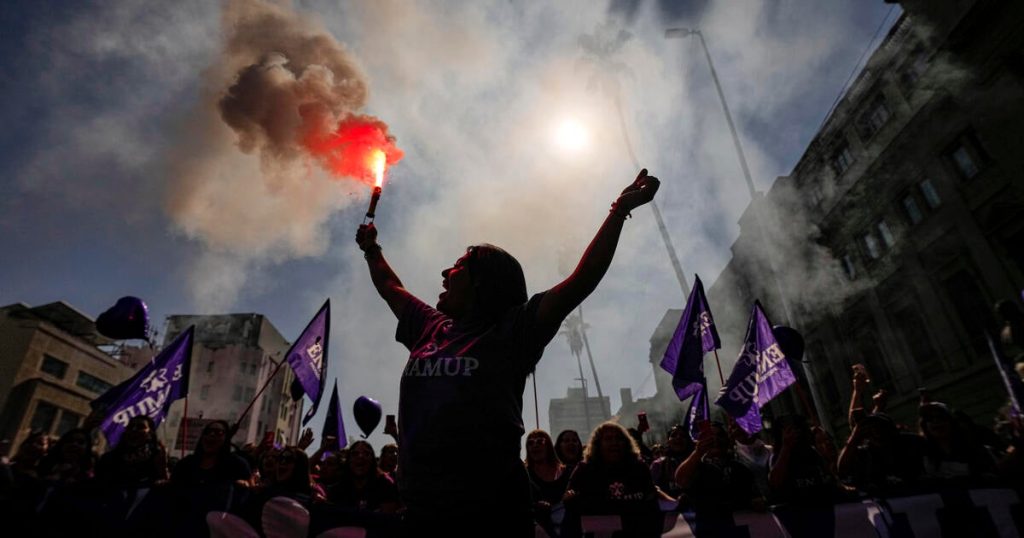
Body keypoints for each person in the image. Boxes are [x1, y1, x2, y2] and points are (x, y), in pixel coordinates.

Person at [355, 169, 660, 536]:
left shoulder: (514, 331)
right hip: (421, 516)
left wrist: (619, 210)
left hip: (493, 517)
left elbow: (581, 280)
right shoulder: (429, 327)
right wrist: (372, 249)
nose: (445, 272)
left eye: (458, 266)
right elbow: (390, 286)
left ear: (482, 282)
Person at [562, 422, 662, 538]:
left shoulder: (639, 468)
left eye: (619, 438)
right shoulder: (584, 470)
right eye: (608, 439)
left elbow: (651, 502)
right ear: (598, 444)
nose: (614, 443)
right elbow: (569, 503)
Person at [524, 430, 569, 537]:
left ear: (548, 446)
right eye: (530, 443)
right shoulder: (525, 474)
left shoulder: (566, 472)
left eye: (540, 441)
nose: (535, 445)